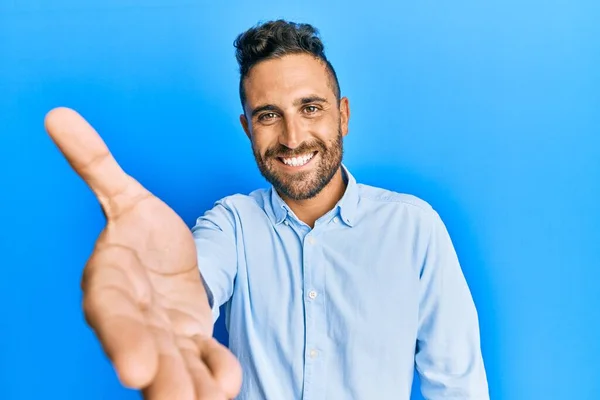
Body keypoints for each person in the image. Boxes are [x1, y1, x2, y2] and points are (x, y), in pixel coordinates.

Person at [45, 19, 489, 400]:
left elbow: (457, 385)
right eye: (268, 115)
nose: (293, 138)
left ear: (343, 116)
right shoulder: (231, 223)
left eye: (310, 108)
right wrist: (165, 301)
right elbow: (194, 277)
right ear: (247, 128)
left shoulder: (413, 227)